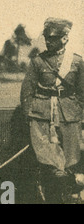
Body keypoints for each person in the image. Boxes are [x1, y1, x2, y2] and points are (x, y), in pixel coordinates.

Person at [20, 17, 84, 203]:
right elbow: (27, 91)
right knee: (48, 160)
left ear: (64, 38)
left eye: (53, 38)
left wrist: (76, 110)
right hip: (41, 114)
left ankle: (70, 194)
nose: (48, 41)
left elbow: (82, 91)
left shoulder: (77, 62)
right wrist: (29, 115)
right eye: (47, 37)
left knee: (71, 158)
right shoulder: (38, 62)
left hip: (68, 113)